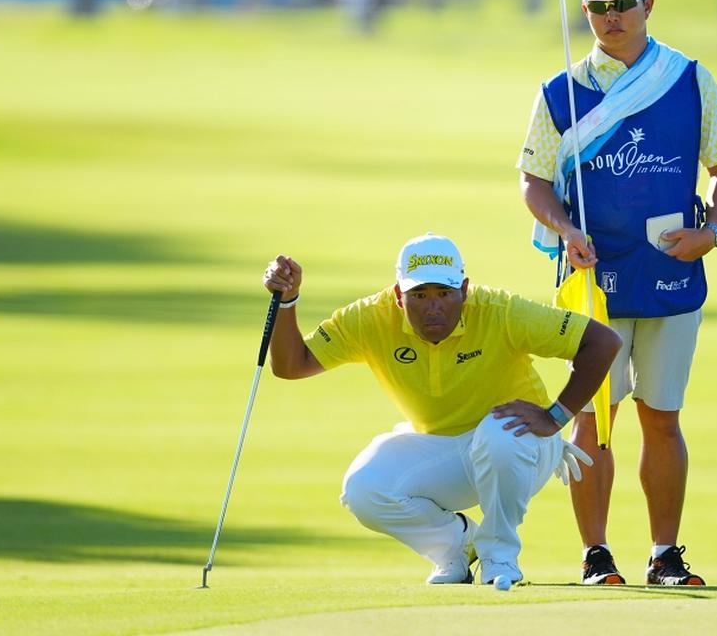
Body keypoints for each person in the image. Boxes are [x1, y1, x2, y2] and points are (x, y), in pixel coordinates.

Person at [517, 0, 717, 586]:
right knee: (593, 419)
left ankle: (665, 553)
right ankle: (596, 554)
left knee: (661, 416)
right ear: (585, 11)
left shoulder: (689, 79)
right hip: (591, 280)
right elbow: (534, 179)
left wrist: (712, 232)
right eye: (598, 7)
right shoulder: (559, 92)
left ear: (647, 5)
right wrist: (565, 228)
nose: (611, 18)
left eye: (622, 5)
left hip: (672, 275)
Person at [262, 232, 621, 589]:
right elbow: (292, 364)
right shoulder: (370, 318)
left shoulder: (501, 311)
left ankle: (500, 556)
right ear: (399, 296)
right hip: (445, 448)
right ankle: (455, 546)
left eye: (444, 294)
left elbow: (603, 341)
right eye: (419, 295)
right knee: (364, 489)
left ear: (464, 289)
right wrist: (288, 302)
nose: (433, 306)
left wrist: (555, 415)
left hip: (523, 447)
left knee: (498, 434)